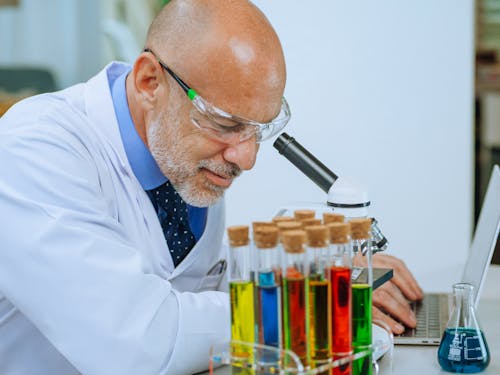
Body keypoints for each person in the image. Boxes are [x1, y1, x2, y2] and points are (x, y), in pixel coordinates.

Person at [0, 0, 421, 374]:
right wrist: (304, 307)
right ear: (150, 81)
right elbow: (137, 343)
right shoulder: (35, 147)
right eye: (225, 123)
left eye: (259, 130)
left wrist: (329, 280)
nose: (247, 158)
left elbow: (198, 296)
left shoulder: (184, 160)